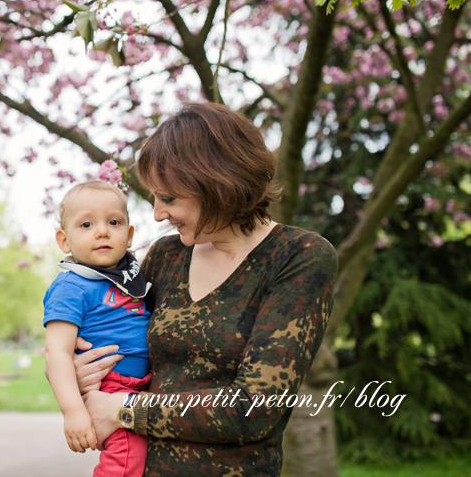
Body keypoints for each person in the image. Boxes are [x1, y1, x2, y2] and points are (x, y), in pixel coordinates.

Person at [76, 103, 338, 476]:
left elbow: (254, 408)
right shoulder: (166, 255)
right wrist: (85, 372)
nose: (156, 215)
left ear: (217, 185)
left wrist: (124, 410)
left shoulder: (297, 257)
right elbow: (121, 343)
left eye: (168, 198)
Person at [44, 181, 152, 477]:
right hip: (111, 386)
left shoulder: (129, 276)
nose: (102, 231)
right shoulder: (71, 287)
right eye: (87, 224)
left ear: (129, 236)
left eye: (114, 222)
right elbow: (57, 354)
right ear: (65, 242)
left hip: (146, 385)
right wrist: (74, 412)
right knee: (127, 459)